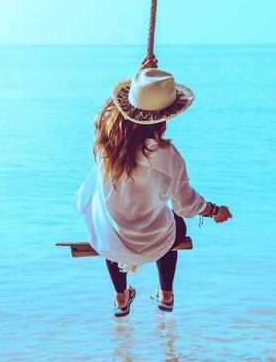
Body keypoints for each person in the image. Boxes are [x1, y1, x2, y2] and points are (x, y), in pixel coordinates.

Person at [74, 67, 232, 316]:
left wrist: (142, 83)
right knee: (176, 221)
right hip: (154, 243)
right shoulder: (168, 157)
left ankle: (121, 297)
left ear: (129, 108)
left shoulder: (107, 147)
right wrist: (214, 211)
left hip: (112, 243)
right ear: (165, 117)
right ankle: (166, 294)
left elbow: (107, 116)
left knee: (109, 221)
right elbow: (186, 205)